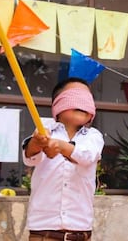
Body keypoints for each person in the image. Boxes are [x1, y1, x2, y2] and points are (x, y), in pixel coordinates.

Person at [23, 77, 104, 241]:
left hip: (80, 233)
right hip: (42, 233)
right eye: (75, 97)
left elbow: (87, 155)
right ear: (57, 104)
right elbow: (30, 155)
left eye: (87, 99)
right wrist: (38, 142)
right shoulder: (44, 128)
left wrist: (60, 146)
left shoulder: (93, 136)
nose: (82, 103)